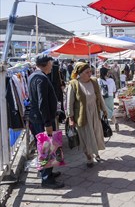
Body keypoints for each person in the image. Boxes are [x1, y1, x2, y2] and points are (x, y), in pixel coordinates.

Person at [28, 54, 64, 189]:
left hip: (39, 118)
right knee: (47, 148)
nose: (52, 66)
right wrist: (47, 123)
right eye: (51, 63)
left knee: (45, 147)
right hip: (42, 119)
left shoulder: (34, 76)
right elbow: (42, 103)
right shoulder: (40, 78)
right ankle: (47, 179)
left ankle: (46, 172)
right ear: (46, 64)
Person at [67, 62, 108, 168]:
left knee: (96, 134)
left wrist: (104, 109)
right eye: (87, 72)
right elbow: (69, 103)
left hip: (94, 113)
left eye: (90, 71)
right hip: (82, 116)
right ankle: (89, 157)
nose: (90, 74)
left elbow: (100, 97)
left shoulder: (94, 82)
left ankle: (96, 153)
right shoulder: (74, 84)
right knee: (86, 137)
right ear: (79, 73)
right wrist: (70, 118)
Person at [98, 67, 119, 131]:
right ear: (106, 73)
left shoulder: (98, 80)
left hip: (102, 98)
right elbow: (114, 90)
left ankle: (104, 127)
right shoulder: (111, 80)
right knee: (110, 112)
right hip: (110, 98)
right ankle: (115, 123)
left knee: (102, 112)